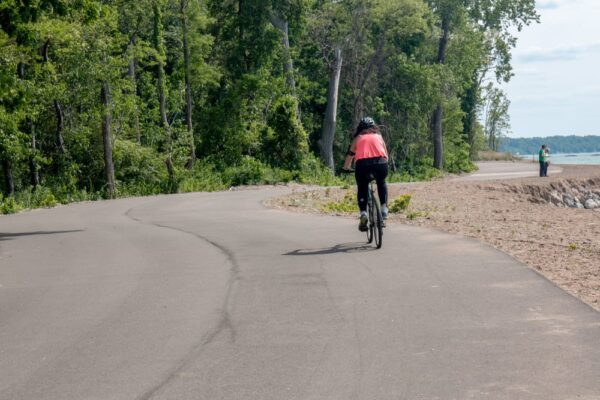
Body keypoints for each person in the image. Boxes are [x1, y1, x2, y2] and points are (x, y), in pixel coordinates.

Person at [342, 117, 389, 232]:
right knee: (381, 182)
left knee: (362, 186)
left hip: (363, 165)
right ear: (374, 127)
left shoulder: (358, 138)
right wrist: (384, 166)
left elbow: (350, 155)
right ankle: (383, 209)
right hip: (381, 163)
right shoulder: (379, 136)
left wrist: (345, 168)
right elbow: (386, 154)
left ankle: (363, 213)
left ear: (360, 128)